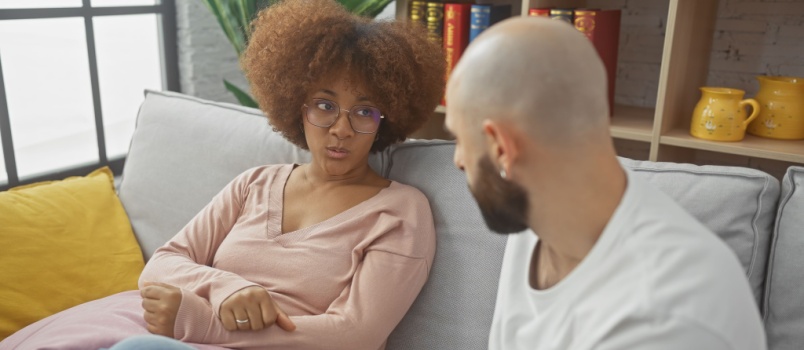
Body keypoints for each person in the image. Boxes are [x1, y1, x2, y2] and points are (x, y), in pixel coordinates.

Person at [0, 0, 445, 349]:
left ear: (387, 119)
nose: (341, 129)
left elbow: (355, 335)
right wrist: (228, 287)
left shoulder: (400, 211)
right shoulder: (256, 183)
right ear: (297, 104)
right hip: (165, 323)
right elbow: (163, 263)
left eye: (364, 111)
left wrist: (209, 324)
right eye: (325, 105)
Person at [443, 17, 767, 350]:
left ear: (501, 149)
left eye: (459, 139)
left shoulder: (667, 318)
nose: (458, 160)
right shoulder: (533, 212)